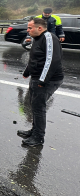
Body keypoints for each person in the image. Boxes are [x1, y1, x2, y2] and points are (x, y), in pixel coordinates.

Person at [18, 18, 63, 146]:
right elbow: (34, 57)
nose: (28, 30)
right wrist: (27, 72)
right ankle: (34, 130)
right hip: (37, 77)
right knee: (33, 104)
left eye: (30, 28)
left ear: (39, 28)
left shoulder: (48, 38)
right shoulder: (37, 38)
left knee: (38, 107)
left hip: (49, 79)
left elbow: (52, 60)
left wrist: (43, 80)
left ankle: (38, 137)